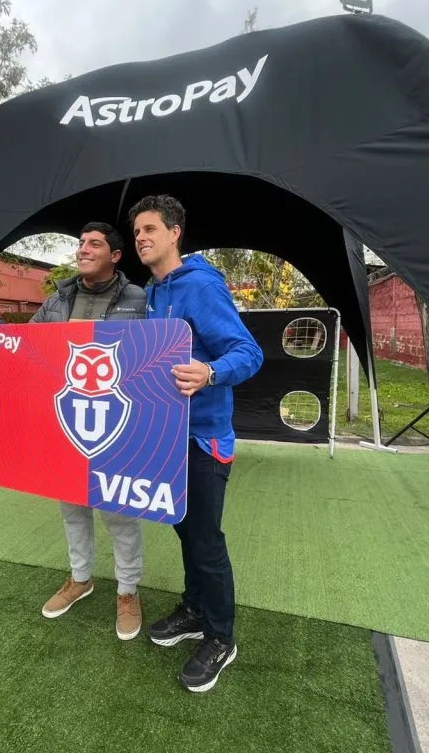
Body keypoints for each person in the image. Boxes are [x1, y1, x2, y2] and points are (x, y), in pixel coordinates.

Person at [0, 222, 148, 639]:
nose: (84, 249)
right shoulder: (57, 300)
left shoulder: (140, 298)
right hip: (65, 424)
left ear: (115, 255)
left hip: (118, 425)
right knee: (72, 508)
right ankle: (81, 579)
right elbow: (24, 348)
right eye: (81, 243)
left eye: (95, 244)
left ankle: (128, 592)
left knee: (120, 513)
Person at [128, 195, 263, 693]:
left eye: (149, 229)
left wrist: (209, 372)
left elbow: (249, 353)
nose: (141, 237)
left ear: (174, 232)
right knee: (185, 532)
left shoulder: (202, 286)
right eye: (136, 231)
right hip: (169, 437)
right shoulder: (153, 292)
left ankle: (222, 637)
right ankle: (195, 610)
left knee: (206, 541)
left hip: (203, 440)